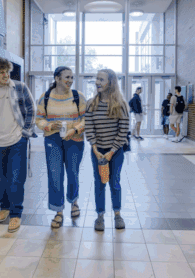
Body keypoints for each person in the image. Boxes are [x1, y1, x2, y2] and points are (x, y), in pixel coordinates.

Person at [0, 57, 35, 233]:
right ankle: (5, 207)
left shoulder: (19, 87)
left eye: (7, 71)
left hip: (17, 140)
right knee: (0, 178)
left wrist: (25, 132)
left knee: (16, 178)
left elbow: (31, 109)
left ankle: (16, 213)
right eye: (1, 72)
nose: (6, 75)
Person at [35, 66, 85, 229]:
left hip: (74, 139)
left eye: (72, 77)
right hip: (53, 139)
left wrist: (75, 130)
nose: (70, 80)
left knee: (73, 172)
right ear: (57, 78)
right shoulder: (45, 97)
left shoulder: (78, 96)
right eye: (67, 77)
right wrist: (49, 126)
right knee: (55, 175)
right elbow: (39, 119)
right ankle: (58, 211)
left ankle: (74, 201)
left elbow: (86, 119)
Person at [83, 69, 130, 231]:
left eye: (101, 79)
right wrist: (95, 148)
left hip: (115, 152)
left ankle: (117, 214)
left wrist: (111, 151)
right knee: (99, 183)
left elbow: (123, 130)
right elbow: (89, 128)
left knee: (114, 182)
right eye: (97, 79)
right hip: (97, 151)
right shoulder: (91, 104)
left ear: (110, 83)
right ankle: (100, 216)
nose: (97, 82)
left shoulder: (120, 105)